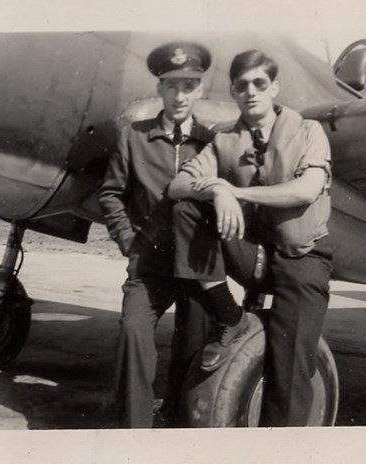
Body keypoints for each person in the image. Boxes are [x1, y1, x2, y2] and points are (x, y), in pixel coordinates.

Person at [168, 49, 333, 426]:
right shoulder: (225, 140)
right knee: (187, 210)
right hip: (253, 253)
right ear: (233, 91)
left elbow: (307, 189)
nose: (251, 92)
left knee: (289, 365)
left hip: (302, 258)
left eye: (260, 83)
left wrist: (234, 192)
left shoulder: (309, 131)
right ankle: (228, 314)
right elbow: (178, 186)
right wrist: (215, 192)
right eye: (241, 85)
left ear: (274, 87)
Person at [97, 42, 214, 428]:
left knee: (193, 348)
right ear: (160, 89)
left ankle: (178, 422)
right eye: (172, 86)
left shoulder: (212, 142)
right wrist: (128, 241)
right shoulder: (134, 137)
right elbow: (111, 194)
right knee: (133, 331)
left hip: (197, 265)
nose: (180, 96)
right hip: (149, 263)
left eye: (189, 86)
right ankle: (135, 430)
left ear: (200, 90)